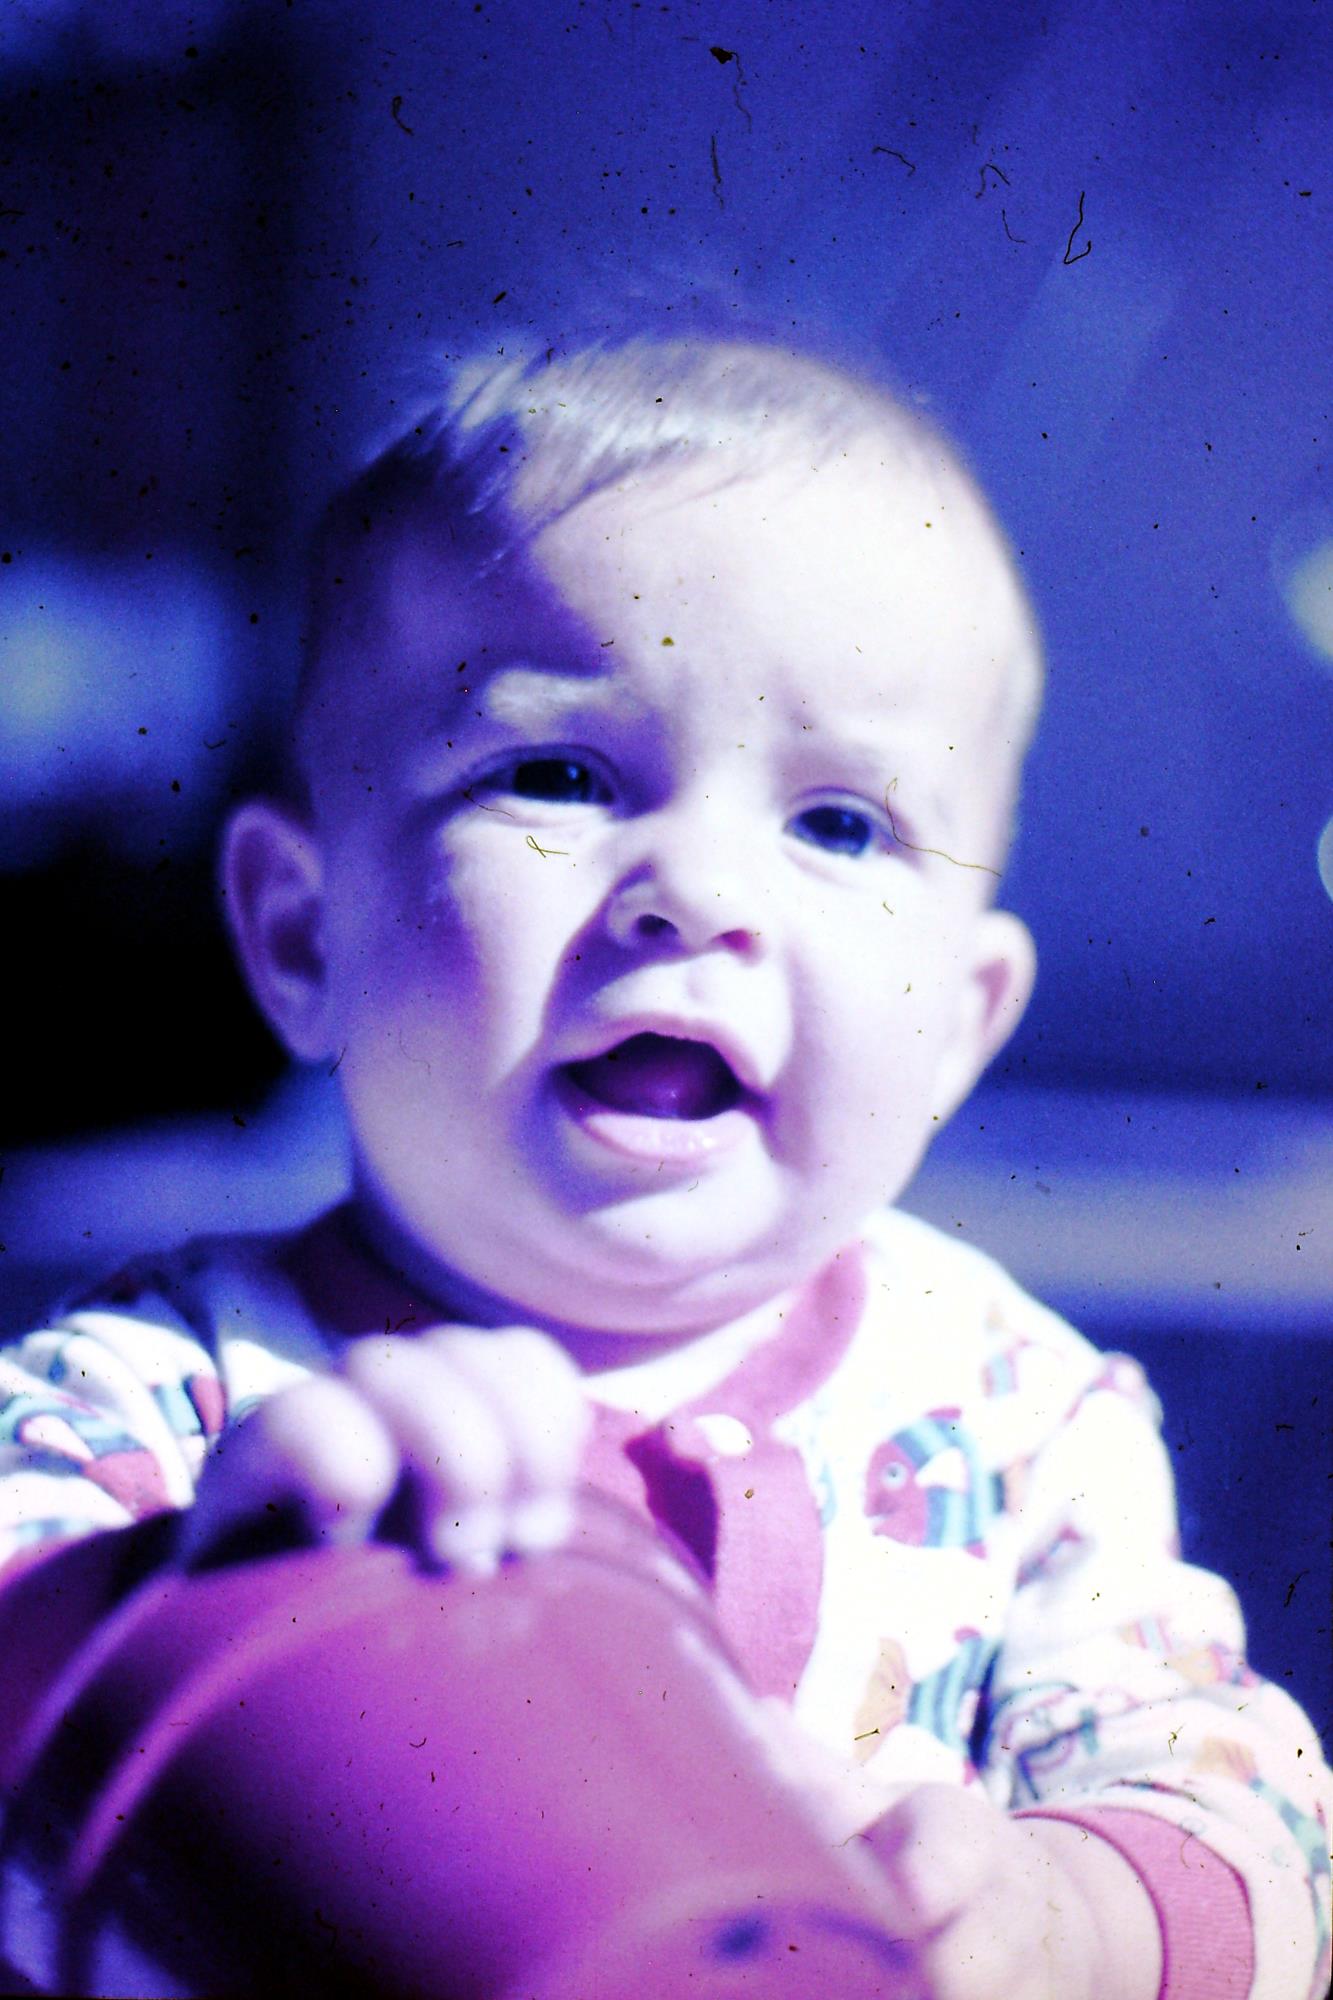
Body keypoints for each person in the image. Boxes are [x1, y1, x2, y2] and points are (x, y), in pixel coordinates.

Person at [1, 336, 1328, 1999]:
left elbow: (1258, 1822)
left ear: (957, 1026)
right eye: (557, 776)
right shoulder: (158, 1394)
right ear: (300, 933)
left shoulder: (1016, 1416)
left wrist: (1069, 1912)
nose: (693, 889)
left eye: (837, 823)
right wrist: (197, 1588)